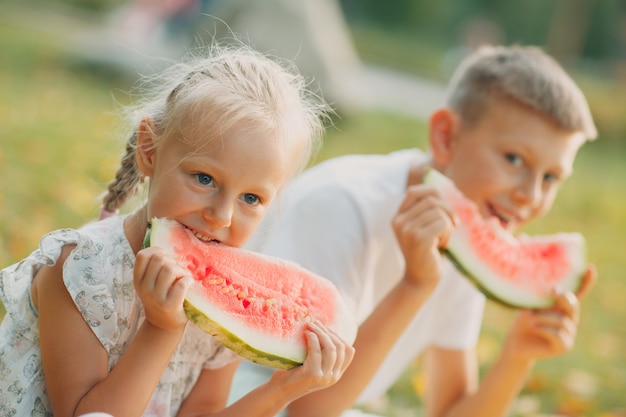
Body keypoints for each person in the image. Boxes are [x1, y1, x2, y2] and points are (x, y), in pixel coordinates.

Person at [227, 44, 598, 417]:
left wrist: (518, 355)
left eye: (551, 178)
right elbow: (308, 409)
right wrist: (415, 285)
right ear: (445, 136)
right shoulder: (341, 205)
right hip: (238, 397)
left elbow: (448, 410)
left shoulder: (469, 229)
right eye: (514, 159)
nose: (530, 196)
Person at [0, 41, 355, 416]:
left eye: (251, 199)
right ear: (149, 151)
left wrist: (282, 391)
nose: (221, 216)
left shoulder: (225, 303)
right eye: (204, 178)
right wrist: (162, 328)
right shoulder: (78, 271)